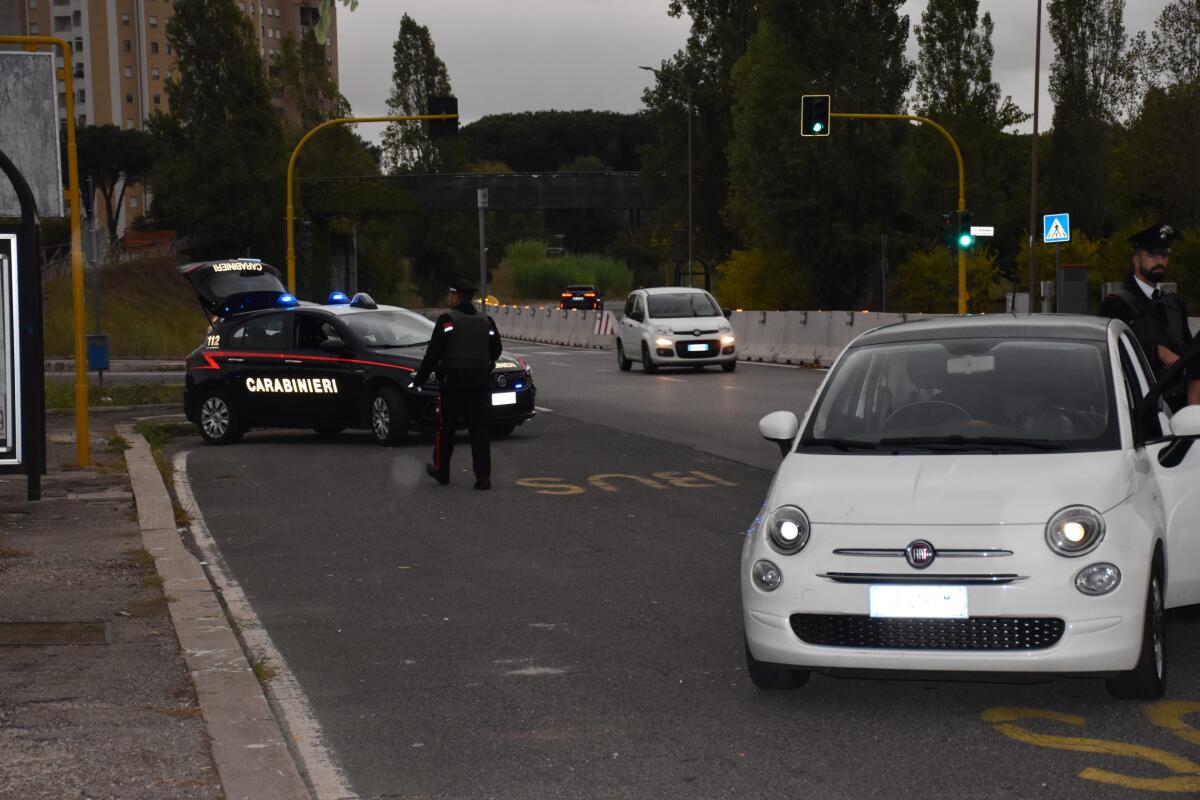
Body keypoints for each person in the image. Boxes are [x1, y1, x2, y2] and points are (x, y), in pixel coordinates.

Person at [413, 278, 503, 490]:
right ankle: (483, 477)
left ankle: (442, 471)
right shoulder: (486, 321)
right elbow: (496, 350)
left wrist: (420, 380)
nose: (449, 298)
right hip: (480, 385)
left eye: (451, 294)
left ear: (456, 296)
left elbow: (433, 354)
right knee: (479, 431)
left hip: (453, 385)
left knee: (447, 429)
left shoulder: (447, 321)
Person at [1098, 223, 1199, 409]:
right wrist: (1156, 351)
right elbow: (1109, 351)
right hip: (1139, 406)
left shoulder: (1175, 303)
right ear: (1135, 259)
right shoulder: (1116, 304)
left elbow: (1189, 348)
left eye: (1164, 256)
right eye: (1152, 256)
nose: (1159, 261)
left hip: (1180, 403)